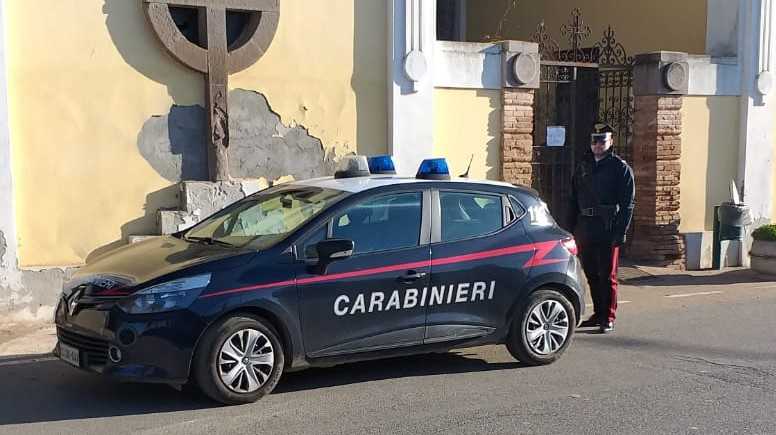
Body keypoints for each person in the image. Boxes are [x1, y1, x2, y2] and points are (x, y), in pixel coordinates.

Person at [567, 124, 635, 333]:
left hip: (608, 227)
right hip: (586, 227)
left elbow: (627, 204)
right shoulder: (584, 165)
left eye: (602, 141)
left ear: (611, 142)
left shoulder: (619, 168)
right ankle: (598, 313)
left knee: (607, 275)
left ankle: (608, 316)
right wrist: (570, 227)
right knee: (591, 273)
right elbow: (573, 198)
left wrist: (620, 231)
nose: (597, 145)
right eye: (594, 141)